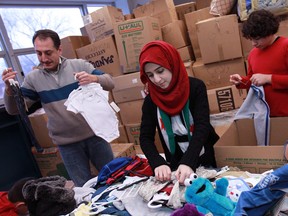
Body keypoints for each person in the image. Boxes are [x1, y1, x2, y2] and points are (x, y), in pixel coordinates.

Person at [1, 29, 115, 187]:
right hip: (67, 145)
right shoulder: (33, 79)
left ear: (59, 49)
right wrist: (8, 90)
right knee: (84, 189)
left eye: (48, 53)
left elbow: (110, 82)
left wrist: (94, 78)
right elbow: (14, 110)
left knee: (114, 179)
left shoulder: (79, 65)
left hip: (96, 136)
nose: (43, 59)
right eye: (39, 54)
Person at [139, 40, 219, 185]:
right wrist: (157, 162)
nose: (157, 79)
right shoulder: (151, 101)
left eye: (160, 71)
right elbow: (145, 137)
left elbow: (202, 126)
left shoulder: (195, 87)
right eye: (150, 75)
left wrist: (189, 161)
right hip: (174, 162)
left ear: (172, 64)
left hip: (203, 155)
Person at [230, 9, 288, 117]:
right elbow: (253, 80)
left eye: (257, 39)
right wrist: (241, 81)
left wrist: (269, 78)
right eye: (251, 39)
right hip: (265, 117)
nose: (253, 43)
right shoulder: (252, 54)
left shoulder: (285, 46)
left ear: (269, 32)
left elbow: (264, 78)